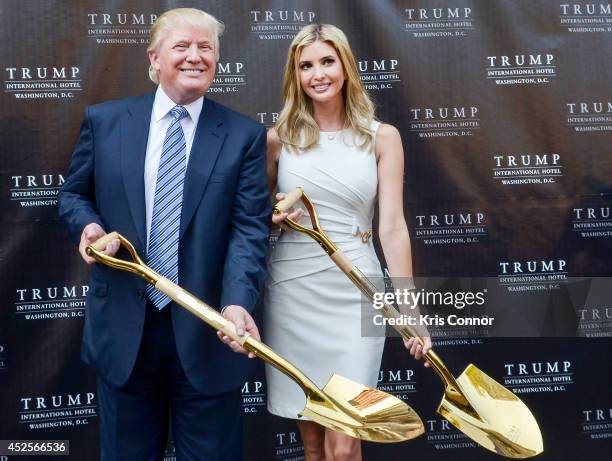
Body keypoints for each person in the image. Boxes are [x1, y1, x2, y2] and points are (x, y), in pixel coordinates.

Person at [57, 8, 270, 461]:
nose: (195, 56)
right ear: (154, 59)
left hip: (208, 333)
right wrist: (90, 227)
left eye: (206, 48)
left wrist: (235, 304)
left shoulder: (243, 135)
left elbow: (249, 229)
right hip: (123, 334)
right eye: (182, 46)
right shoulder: (105, 121)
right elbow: (73, 195)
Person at [264, 24, 432, 461]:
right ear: (295, 74)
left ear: (345, 67)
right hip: (293, 291)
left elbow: (392, 227)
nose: (317, 73)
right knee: (315, 445)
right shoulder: (277, 140)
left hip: (357, 289)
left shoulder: (382, 137)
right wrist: (275, 217)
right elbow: (258, 219)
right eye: (306, 65)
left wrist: (409, 309)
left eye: (326, 61)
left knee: (345, 441)